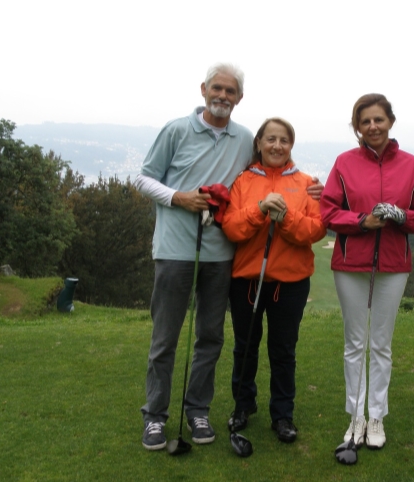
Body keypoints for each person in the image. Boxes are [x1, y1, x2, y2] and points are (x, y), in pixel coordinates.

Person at [134, 63, 322, 451]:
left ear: (239, 98)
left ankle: (198, 411)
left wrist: (309, 193)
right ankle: (155, 416)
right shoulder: (176, 129)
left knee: (210, 337)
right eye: (216, 88)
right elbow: (143, 177)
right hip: (174, 248)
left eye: (230, 91)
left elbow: (284, 195)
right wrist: (178, 197)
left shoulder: (245, 140)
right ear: (203, 89)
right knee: (166, 338)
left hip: (220, 256)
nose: (222, 96)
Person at [320, 94, 414, 449]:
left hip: (393, 264)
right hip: (351, 262)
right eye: (365, 121)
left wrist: (402, 216)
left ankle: (377, 417)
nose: (372, 126)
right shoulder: (344, 163)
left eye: (379, 120)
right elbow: (328, 211)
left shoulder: (412, 165)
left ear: (390, 121)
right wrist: (362, 221)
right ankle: (356, 418)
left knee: (381, 345)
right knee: (355, 343)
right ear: (357, 126)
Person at [222, 118, 326, 443]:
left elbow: (315, 231)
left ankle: (282, 414)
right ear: (259, 143)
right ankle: (243, 405)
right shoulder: (243, 182)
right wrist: (260, 209)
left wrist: (284, 217)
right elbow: (232, 227)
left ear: (291, 145)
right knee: (246, 346)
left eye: (284, 140)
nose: (277, 146)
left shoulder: (306, 183)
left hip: (290, 282)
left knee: (283, 350)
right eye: (271, 139)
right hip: (248, 280)